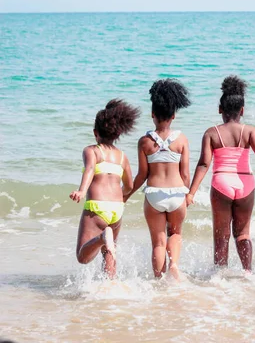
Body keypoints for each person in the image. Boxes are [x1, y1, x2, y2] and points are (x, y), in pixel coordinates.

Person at [186, 75, 255, 273]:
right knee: (243, 234)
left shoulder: (211, 133)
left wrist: (191, 193)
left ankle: (219, 277)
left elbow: (204, 163)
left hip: (221, 182)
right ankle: (248, 273)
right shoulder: (249, 131)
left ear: (220, 109)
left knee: (221, 235)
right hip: (245, 183)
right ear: (242, 110)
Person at [124, 79, 191, 280]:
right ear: (173, 115)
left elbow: (142, 175)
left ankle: (158, 282)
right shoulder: (181, 140)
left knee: (158, 242)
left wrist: (125, 194)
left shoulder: (144, 142)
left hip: (154, 196)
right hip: (177, 194)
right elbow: (185, 174)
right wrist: (187, 194)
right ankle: (174, 266)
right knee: (176, 234)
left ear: (152, 114)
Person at [70, 99, 140, 278]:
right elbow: (130, 185)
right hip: (117, 209)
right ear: (117, 134)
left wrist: (82, 190)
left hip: (97, 207)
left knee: (82, 257)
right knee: (109, 252)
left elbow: (90, 169)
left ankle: (102, 238)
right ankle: (110, 288)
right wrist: (121, 197)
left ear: (95, 132)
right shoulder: (122, 156)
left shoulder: (92, 151)